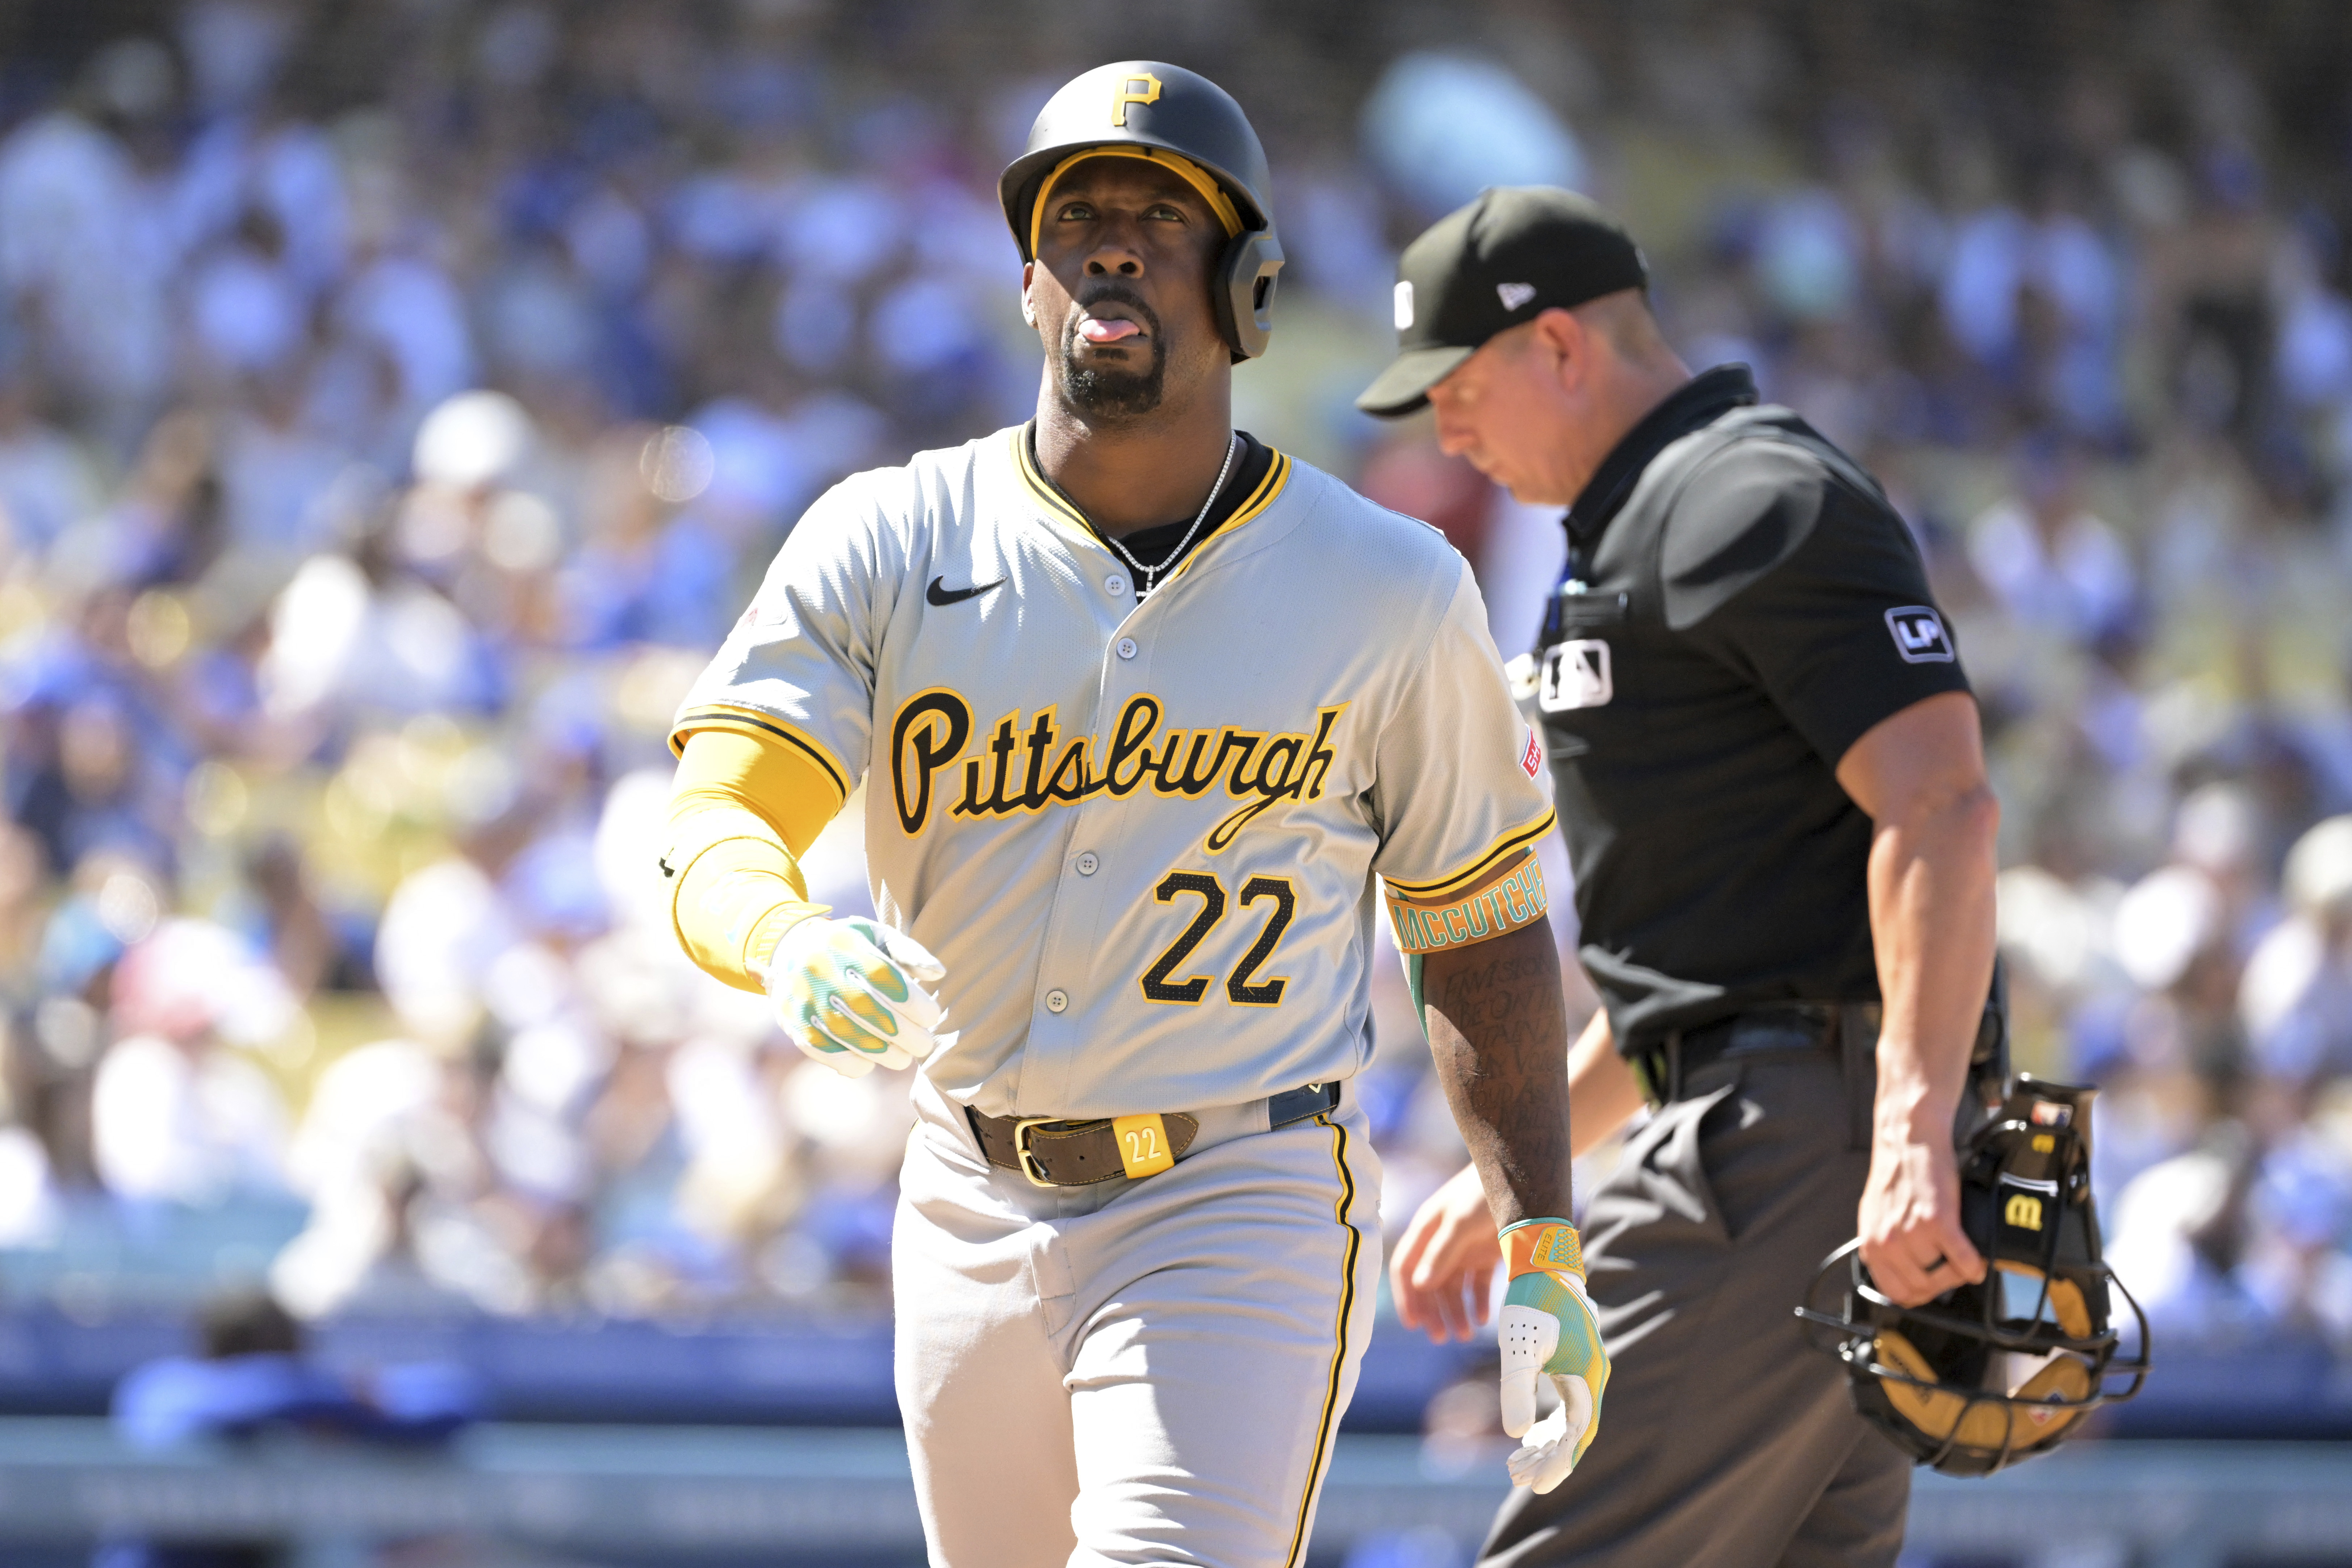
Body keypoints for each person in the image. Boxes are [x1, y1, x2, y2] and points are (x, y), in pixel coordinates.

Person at [659, 65, 1606, 1568]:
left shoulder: (1391, 584)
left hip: (1234, 1193)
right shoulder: (889, 536)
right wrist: (780, 943)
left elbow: (1476, 926)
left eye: (1161, 220)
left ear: (1246, 286)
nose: (1112, 244)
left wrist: (1542, 1235)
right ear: (1028, 284)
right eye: (1078, 218)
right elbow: (714, 818)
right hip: (961, 1191)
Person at [1359, 188, 2001, 1567]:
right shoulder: (1637, 526)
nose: (1444, 430)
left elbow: (1945, 805)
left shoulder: (1750, 495)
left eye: (1460, 387)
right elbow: (1701, 976)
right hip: (1766, 1122)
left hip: (1787, 1149)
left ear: (1562, 348)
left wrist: (1911, 1131)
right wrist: (1516, 1172)